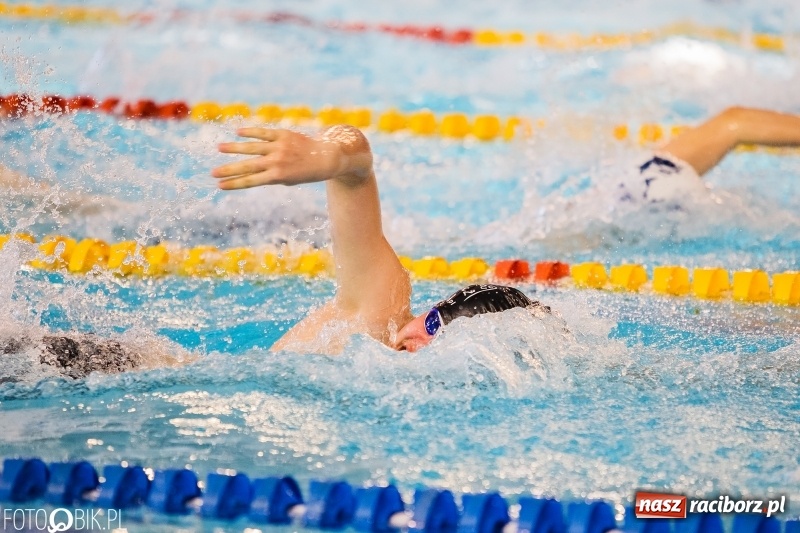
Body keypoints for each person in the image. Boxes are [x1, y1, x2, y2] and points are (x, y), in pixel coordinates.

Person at [211, 106, 800, 353]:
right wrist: (327, 155)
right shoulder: (376, 317)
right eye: (434, 317)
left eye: (440, 332)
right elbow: (357, 159)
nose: (422, 338)